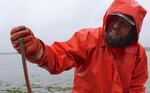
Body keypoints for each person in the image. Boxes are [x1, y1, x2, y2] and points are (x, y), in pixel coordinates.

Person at [10, 0, 148, 93]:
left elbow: (137, 88)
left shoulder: (139, 54)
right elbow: (59, 57)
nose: (116, 25)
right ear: (108, 18)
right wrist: (37, 50)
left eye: (124, 23)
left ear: (133, 30)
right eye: (114, 19)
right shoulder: (87, 38)